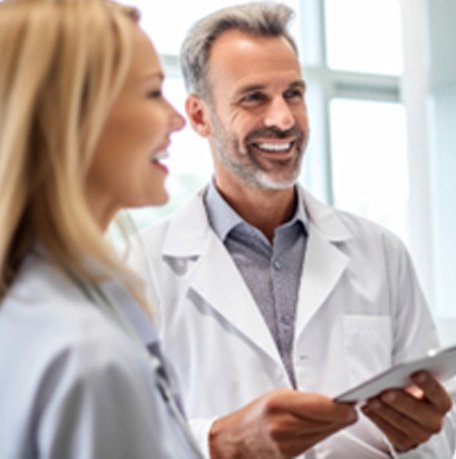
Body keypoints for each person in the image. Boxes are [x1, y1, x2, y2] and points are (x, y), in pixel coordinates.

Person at [129, 2, 456, 458]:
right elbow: (118, 436)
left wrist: (423, 435)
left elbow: (441, 432)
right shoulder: (138, 267)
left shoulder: (381, 253)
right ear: (200, 117)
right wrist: (218, 444)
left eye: (294, 93)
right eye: (254, 97)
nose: (283, 119)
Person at [0, 0, 203, 457]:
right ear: (71, 116)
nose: (176, 120)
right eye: (153, 93)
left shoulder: (35, 309)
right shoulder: (87, 356)